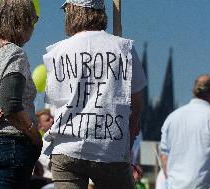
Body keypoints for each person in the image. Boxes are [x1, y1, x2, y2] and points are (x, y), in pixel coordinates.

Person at [42, 0, 147, 189]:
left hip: (66, 148)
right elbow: (136, 108)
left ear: (73, 10)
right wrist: (127, 149)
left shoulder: (57, 52)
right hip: (110, 149)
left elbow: (53, 104)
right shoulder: (124, 49)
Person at [0, 0, 42, 188]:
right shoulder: (14, 54)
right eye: (33, 19)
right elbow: (11, 104)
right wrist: (34, 136)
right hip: (11, 144)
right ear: (22, 22)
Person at [160, 74, 210, 189]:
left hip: (175, 185)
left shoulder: (172, 118)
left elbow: (164, 156)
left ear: (194, 91)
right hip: (204, 185)